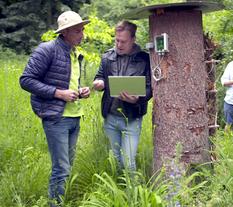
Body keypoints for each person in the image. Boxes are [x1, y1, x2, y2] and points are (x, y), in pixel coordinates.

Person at [19, 11, 90, 205]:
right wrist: (59, 93)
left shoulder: (76, 52)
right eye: (77, 31)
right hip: (56, 118)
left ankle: (62, 201)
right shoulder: (47, 49)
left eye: (82, 29)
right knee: (62, 169)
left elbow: (67, 80)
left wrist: (80, 90)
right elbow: (26, 80)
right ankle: (55, 204)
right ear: (65, 32)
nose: (82, 34)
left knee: (67, 166)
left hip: (75, 116)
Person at [93, 20, 152, 171]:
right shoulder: (107, 57)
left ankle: (132, 193)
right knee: (116, 160)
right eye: (116, 40)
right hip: (111, 117)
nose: (119, 45)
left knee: (128, 162)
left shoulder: (145, 59)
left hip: (132, 118)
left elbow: (150, 88)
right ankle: (117, 190)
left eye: (123, 41)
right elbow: (99, 76)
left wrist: (138, 98)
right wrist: (99, 83)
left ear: (133, 39)